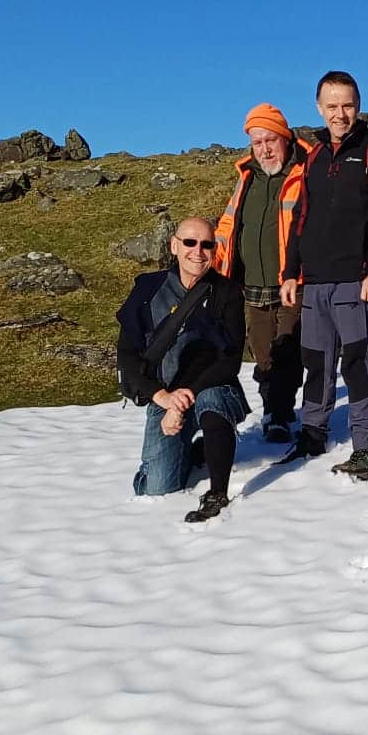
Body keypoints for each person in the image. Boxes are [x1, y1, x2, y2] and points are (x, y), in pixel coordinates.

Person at [280, 71, 368, 480]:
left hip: (355, 279)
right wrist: (291, 272)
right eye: (332, 106)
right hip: (313, 281)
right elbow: (300, 218)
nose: (340, 114)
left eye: (347, 105)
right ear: (319, 108)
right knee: (316, 360)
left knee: (356, 363)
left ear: (357, 104)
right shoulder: (312, 155)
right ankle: (313, 430)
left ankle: (366, 441)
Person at [117, 217, 251, 523]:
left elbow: (229, 360)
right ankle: (188, 454)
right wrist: (162, 397)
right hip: (163, 397)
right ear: (174, 246)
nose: (198, 251)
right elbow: (126, 354)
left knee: (214, 401)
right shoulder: (147, 289)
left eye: (206, 244)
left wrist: (185, 395)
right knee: (158, 489)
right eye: (190, 242)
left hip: (211, 388)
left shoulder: (227, 292)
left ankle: (218, 490)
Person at [214, 103, 306, 444]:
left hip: (292, 281)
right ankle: (272, 407)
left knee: (288, 348)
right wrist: (216, 263)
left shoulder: (303, 172)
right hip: (251, 283)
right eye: (257, 142)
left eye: (271, 140)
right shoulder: (246, 178)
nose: (265, 149)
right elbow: (228, 225)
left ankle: (280, 413)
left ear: (284, 138)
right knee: (263, 351)